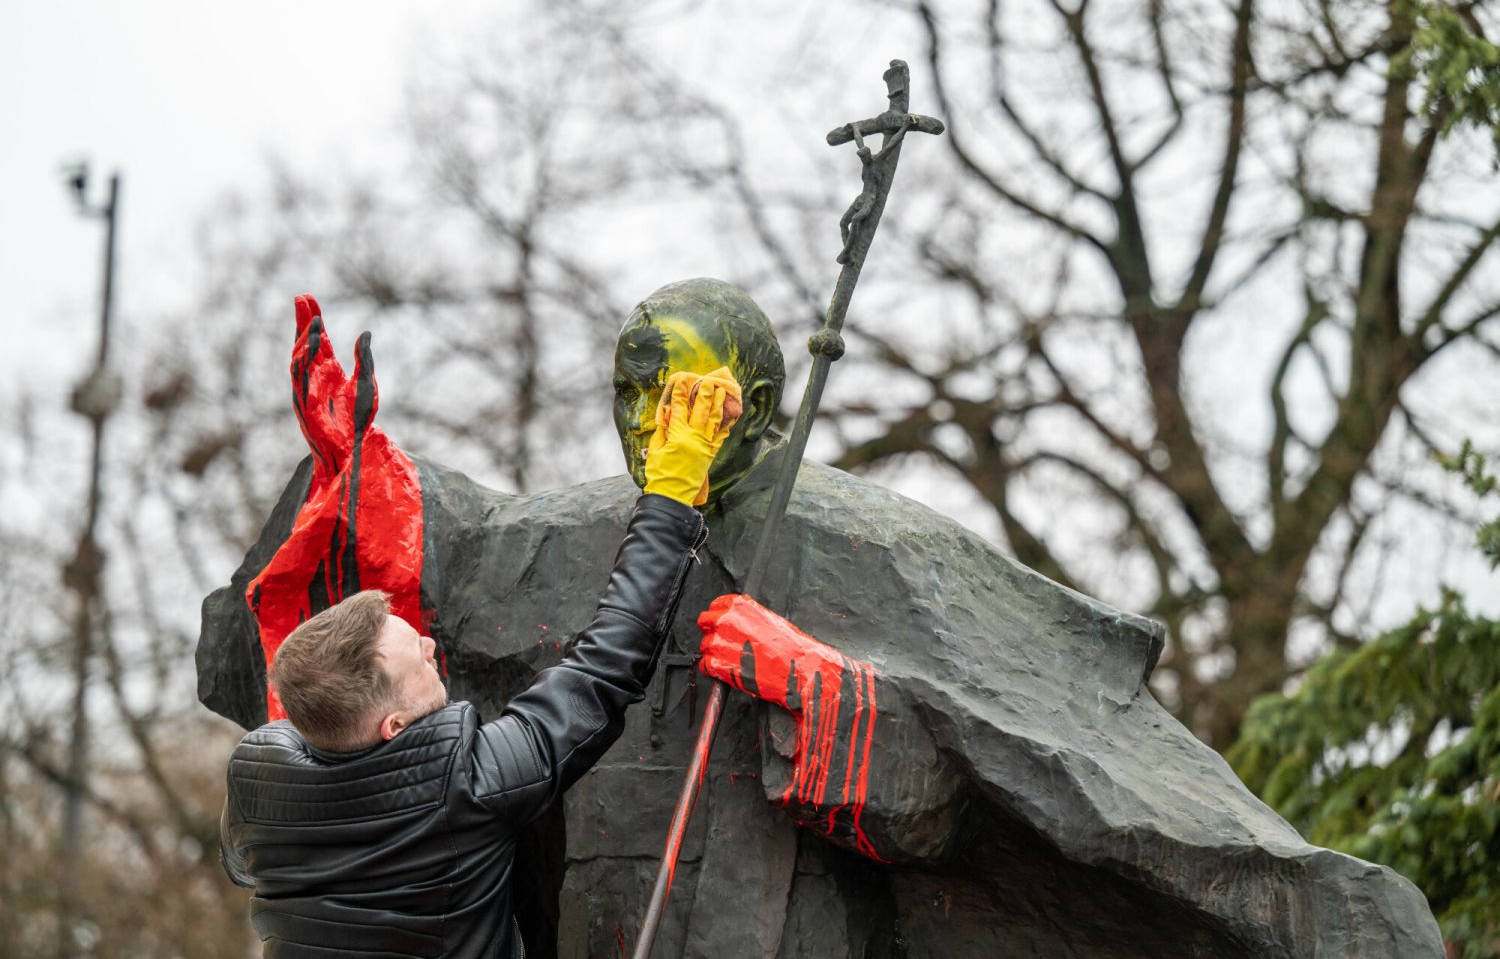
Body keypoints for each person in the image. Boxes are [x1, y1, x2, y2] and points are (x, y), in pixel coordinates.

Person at [202, 279, 1442, 958]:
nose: (651, 423)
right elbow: (347, 649)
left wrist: (835, 700)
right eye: (634, 391)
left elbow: (1029, 772)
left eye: (682, 395)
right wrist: (352, 491)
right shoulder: (550, 542)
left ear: (753, 401)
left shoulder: (868, 545)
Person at [217, 345, 742, 959]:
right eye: (417, 656)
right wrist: (673, 496)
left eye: (410, 630)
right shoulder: (466, 785)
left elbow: (247, 854)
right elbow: (605, 667)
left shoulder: (258, 779)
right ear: (393, 727)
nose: (429, 641)